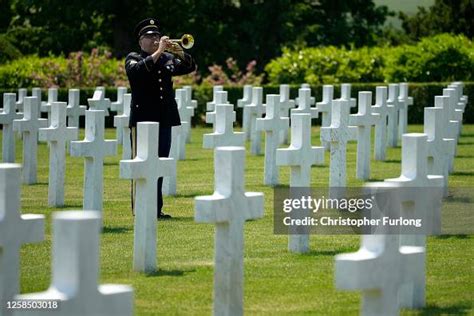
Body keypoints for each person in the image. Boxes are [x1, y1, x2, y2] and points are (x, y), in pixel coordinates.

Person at [125, 18, 196, 219]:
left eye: (156, 36)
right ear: (140, 41)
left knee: (159, 165)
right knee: (141, 166)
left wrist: (179, 51)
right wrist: (159, 52)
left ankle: (156, 209)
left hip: (164, 118)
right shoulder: (133, 57)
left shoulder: (166, 58)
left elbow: (190, 67)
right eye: (149, 36)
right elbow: (137, 73)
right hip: (142, 120)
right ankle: (140, 208)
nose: (155, 39)